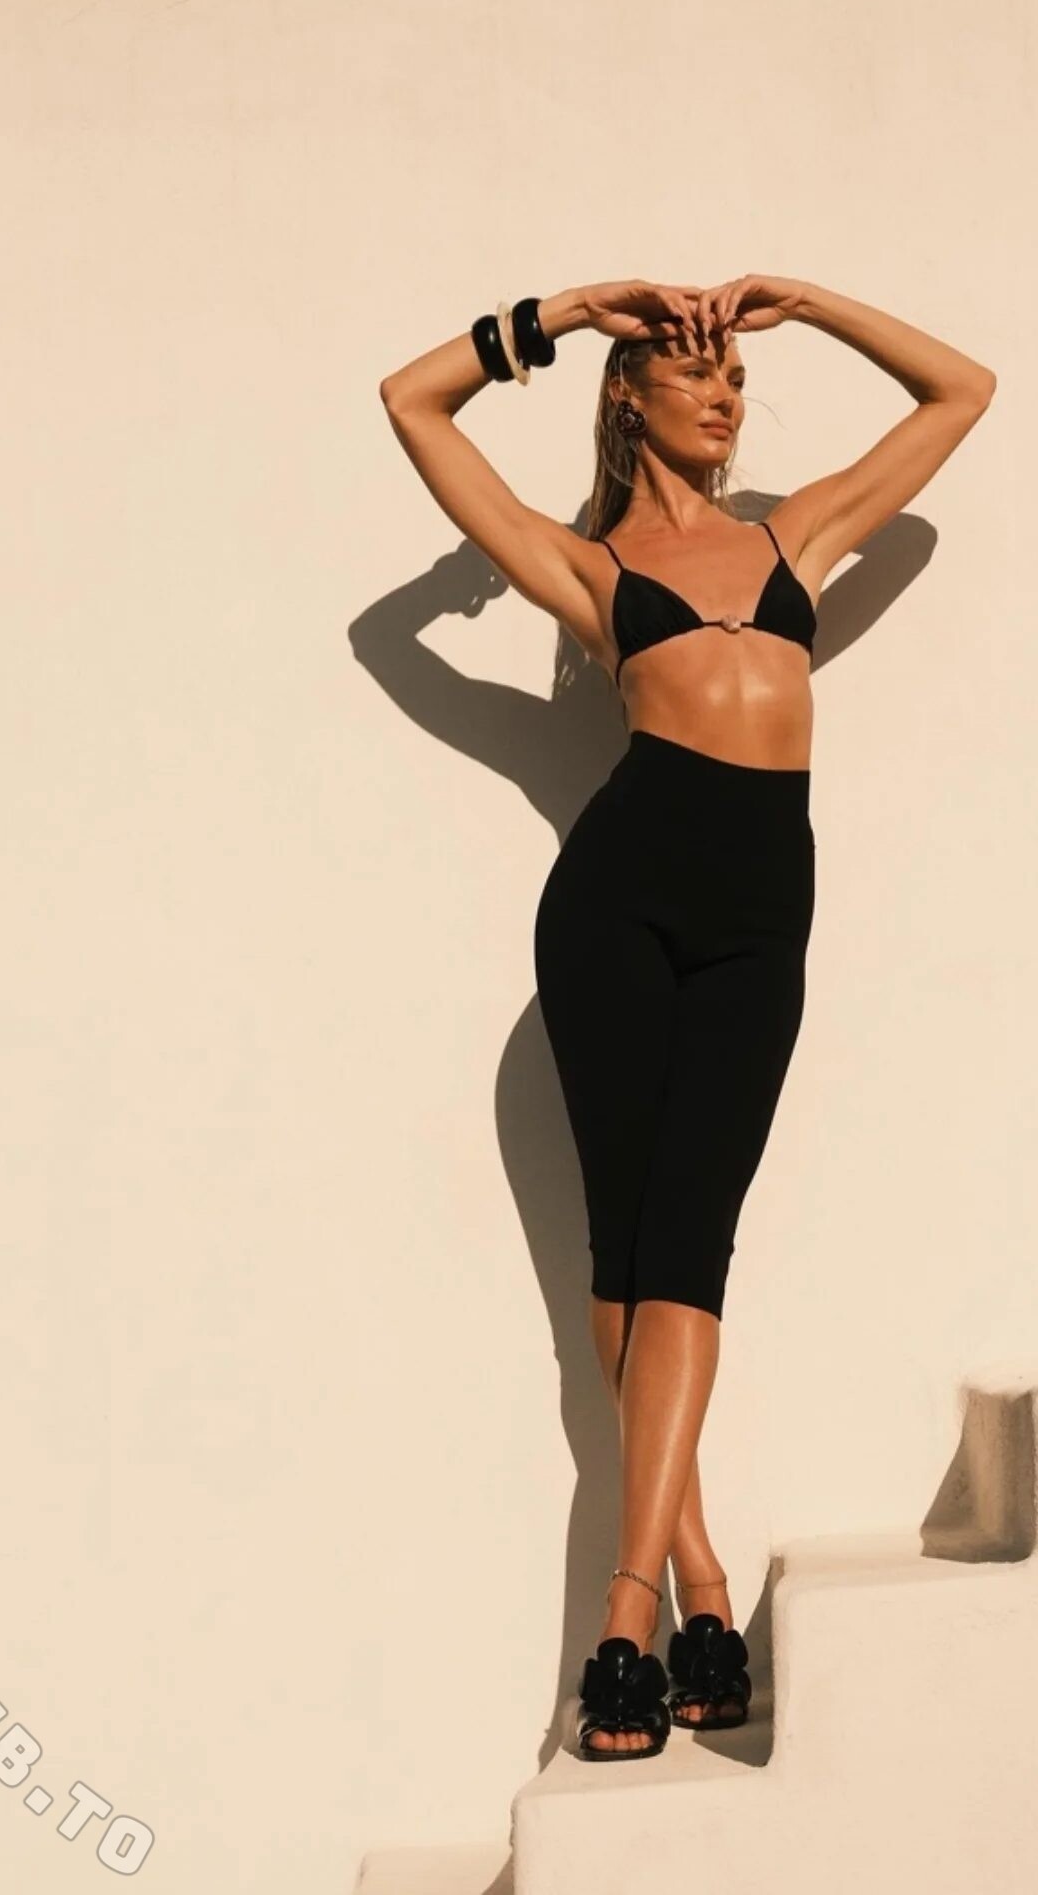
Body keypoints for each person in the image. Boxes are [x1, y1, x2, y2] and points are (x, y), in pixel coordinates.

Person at [379, 275, 996, 1760]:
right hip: (614, 906)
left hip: (756, 915)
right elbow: (412, 401)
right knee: (631, 1255)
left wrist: (810, 303)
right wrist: (571, 310)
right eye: (695, 373)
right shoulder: (587, 569)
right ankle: (654, 1615)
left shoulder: (797, 536)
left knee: (691, 1246)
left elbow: (962, 391)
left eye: (734, 376)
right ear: (628, 395)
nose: (726, 396)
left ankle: (665, 1594)